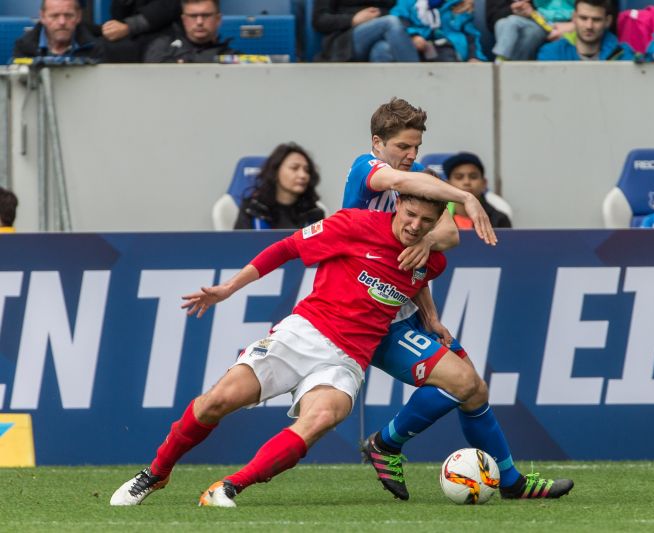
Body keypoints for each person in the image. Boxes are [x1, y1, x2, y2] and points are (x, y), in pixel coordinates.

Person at [110, 194, 449, 507]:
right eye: (411, 214)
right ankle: (155, 473)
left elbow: (416, 280)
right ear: (398, 203)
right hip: (303, 333)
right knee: (217, 401)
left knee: (321, 419)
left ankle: (228, 488)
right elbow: (287, 248)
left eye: (427, 221)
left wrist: (431, 318)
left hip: (348, 361)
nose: (416, 225)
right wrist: (228, 288)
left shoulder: (431, 260)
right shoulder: (355, 225)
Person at [343, 98, 573, 501]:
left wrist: (430, 308)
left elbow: (447, 236)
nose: (411, 156)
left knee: (475, 390)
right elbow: (402, 188)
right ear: (377, 144)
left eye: (415, 148)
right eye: (402, 147)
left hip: (405, 307)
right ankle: (386, 443)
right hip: (369, 314)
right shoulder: (369, 169)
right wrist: (466, 197)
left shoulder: (414, 179)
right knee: (459, 382)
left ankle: (511, 482)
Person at [235, 143, 326, 230]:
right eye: (294, 168)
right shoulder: (252, 210)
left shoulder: (314, 213)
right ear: (275, 171)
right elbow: (239, 244)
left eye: (307, 170)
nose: (303, 175)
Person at [312, 0, 420, 62]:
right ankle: (418, 83)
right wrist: (353, 19)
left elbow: (401, 11)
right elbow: (319, 20)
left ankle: (388, 99)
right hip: (346, 40)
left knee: (382, 50)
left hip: (388, 37)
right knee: (390, 22)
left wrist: (413, 34)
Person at [390, 0, 487, 61]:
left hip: (447, 48)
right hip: (415, 47)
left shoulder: (459, 4)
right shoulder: (408, 3)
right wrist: (414, 35)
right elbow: (399, 18)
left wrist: (474, 57)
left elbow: (471, 35)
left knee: (446, 57)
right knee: (383, 50)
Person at [143, 0, 237, 63]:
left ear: (218, 19)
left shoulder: (231, 58)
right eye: (193, 16)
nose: (199, 22)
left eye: (206, 15)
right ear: (184, 20)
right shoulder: (161, 49)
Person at [537, 0, 634, 60]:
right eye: (583, 18)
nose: (589, 26)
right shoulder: (552, 53)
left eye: (596, 20)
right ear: (574, 17)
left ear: (608, 21)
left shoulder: (623, 54)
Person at [13, 0, 106, 61]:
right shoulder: (24, 47)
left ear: (78, 16)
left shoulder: (96, 48)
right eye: (54, 16)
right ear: (42, 17)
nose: (62, 22)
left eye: (68, 15)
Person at [442, 152, 512, 228]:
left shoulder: (499, 219)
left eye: (473, 177)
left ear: (484, 183)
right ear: (448, 185)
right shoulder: (437, 217)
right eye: (459, 177)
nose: (467, 182)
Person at [101, 0, 182, 62]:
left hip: (169, 35)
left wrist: (129, 27)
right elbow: (117, 15)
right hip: (134, 34)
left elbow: (169, 6)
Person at [487, 0, 552, 61]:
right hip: (508, 23)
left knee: (531, 32)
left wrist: (531, 12)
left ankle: (502, 59)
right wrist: (512, 9)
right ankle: (511, 64)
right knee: (502, 23)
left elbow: (549, 10)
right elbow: (492, 21)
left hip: (538, 23)